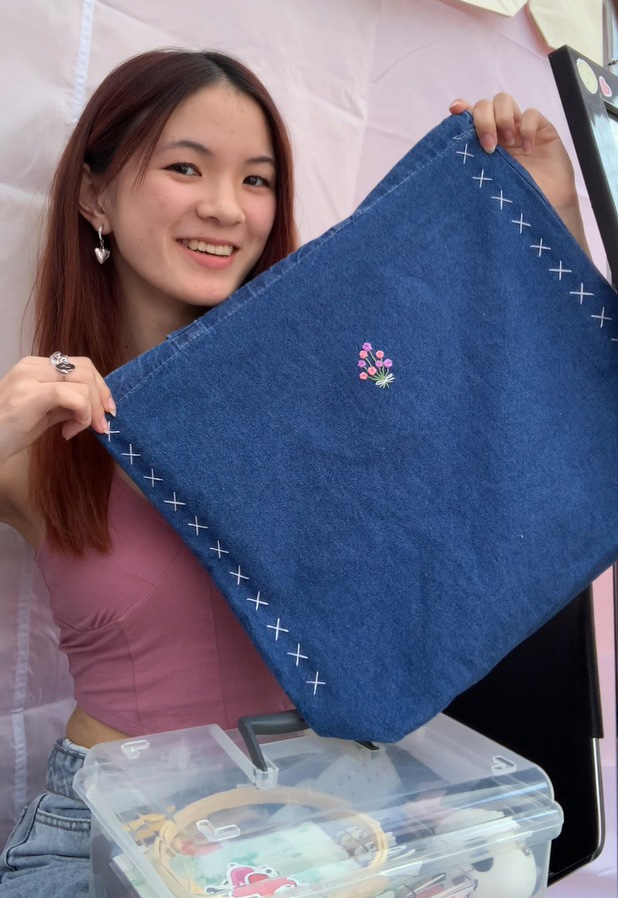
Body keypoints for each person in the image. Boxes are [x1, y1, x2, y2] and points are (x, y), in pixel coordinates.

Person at [0, 47, 589, 896]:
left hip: (333, 825)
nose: (224, 207)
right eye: (185, 166)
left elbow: (506, 448)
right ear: (95, 193)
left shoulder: (339, 395)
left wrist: (549, 218)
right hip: (113, 842)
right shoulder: (43, 437)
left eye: (257, 179)